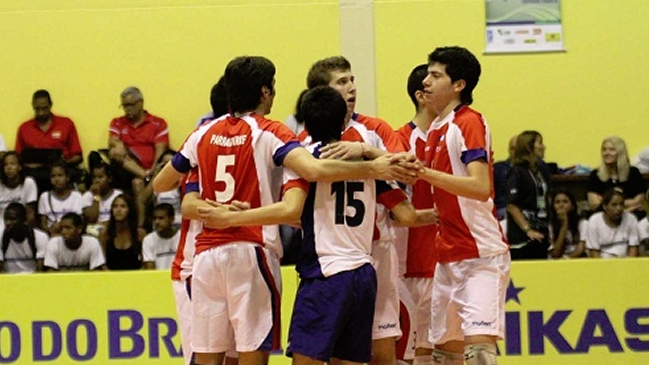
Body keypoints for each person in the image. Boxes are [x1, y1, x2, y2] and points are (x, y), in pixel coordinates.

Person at [153, 55, 417, 365]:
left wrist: (210, 205)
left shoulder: (202, 134)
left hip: (207, 257)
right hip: (254, 251)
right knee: (256, 354)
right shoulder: (273, 132)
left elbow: (161, 184)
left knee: (209, 358)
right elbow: (313, 171)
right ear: (265, 92)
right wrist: (373, 166)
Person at [411, 46, 509, 365]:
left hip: (480, 255)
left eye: (435, 75)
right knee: (445, 354)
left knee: (479, 352)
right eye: (427, 74)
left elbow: (480, 187)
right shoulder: (437, 129)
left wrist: (424, 172)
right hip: (447, 257)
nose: (426, 81)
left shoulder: (468, 122)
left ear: (458, 85)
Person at [308, 55, 408, 365]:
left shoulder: (373, 129)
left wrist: (365, 151)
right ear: (323, 92)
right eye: (341, 82)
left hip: (377, 247)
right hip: (331, 254)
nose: (351, 87)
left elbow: (407, 169)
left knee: (381, 347)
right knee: (337, 350)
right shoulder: (306, 141)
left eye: (352, 80)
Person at [393, 64, 439, 365]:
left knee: (441, 351)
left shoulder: (455, 136)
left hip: (442, 263)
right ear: (421, 96)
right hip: (404, 265)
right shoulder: (398, 140)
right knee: (407, 354)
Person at [15, 89, 84, 192]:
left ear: (51, 105)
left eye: (44, 108)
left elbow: (78, 156)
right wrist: (29, 165)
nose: (41, 113)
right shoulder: (24, 128)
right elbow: (17, 158)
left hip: (61, 174)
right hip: (33, 176)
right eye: (37, 109)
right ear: (32, 106)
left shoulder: (66, 124)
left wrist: (62, 163)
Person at [107, 86, 170, 196]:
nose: (127, 109)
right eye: (124, 106)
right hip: (129, 170)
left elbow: (161, 149)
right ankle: (145, 175)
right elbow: (113, 140)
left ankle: (147, 176)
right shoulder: (117, 122)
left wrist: (153, 169)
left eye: (130, 105)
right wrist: (119, 144)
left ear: (140, 103)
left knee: (138, 183)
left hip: (153, 168)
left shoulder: (158, 123)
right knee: (114, 151)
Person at [506, 130, 551, 260]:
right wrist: (527, 230)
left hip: (541, 229)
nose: (543, 147)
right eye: (540, 143)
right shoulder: (517, 172)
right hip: (523, 236)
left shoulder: (541, 170)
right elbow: (512, 205)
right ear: (528, 147)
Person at [587, 136, 645, 214]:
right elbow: (594, 204)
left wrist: (607, 203)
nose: (606, 153)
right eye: (604, 149)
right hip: (603, 218)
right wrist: (626, 206)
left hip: (632, 216)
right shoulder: (595, 175)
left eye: (611, 149)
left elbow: (638, 202)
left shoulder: (633, 173)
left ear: (621, 152)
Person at [586, 188, 639, 258]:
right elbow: (594, 253)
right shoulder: (594, 221)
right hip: (603, 264)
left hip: (626, 263)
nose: (619, 208)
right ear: (604, 206)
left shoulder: (631, 219)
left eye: (621, 204)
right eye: (614, 205)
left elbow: (633, 251)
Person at [38, 160, 84, 236]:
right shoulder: (44, 197)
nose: (57, 179)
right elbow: (43, 223)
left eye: (60, 175)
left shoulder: (77, 196)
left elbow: (80, 222)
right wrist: (50, 230)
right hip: (52, 235)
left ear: (67, 177)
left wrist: (62, 226)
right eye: (53, 176)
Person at [0, 202, 49, 273]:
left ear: (23, 220)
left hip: (33, 280)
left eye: (12, 219)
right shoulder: (1, 237)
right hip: (9, 280)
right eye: (6, 219)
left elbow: (40, 270)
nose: (7, 223)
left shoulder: (40, 237)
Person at [100, 193, 142, 270]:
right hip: (111, 278)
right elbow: (102, 264)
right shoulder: (105, 234)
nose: (118, 210)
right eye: (115, 206)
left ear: (130, 209)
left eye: (123, 206)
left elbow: (144, 263)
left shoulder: (139, 234)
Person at [81, 163, 123, 237]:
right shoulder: (87, 196)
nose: (96, 181)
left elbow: (120, 218)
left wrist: (105, 224)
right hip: (94, 231)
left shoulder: (118, 195)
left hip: (114, 229)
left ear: (109, 178)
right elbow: (91, 219)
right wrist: (96, 196)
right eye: (94, 178)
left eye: (100, 177)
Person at [0, 151, 38, 228]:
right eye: (6, 165)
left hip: (22, 225)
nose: (9, 168)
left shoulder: (28, 182)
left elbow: (30, 214)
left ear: (20, 167)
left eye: (12, 164)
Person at [547, 189, 587, 259]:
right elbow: (555, 253)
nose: (561, 205)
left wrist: (566, 259)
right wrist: (564, 225)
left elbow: (581, 249)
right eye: (557, 202)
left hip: (576, 259)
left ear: (572, 206)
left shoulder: (582, 223)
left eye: (565, 202)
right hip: (557, 261)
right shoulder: (551, 225)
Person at [142, 203, 180, 270]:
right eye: (154, 218)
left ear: (172, 219)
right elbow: (150, 270)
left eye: (161, 218)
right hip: (158, 279)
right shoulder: (148, 240)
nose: (156, 222)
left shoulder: (182, 237)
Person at [493, 135, 517, 220]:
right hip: (502, 208)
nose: (515, 151)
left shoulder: (530, 170)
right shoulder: (499, 168)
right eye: (513, 148)